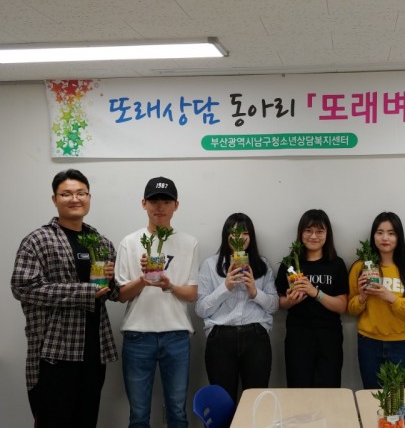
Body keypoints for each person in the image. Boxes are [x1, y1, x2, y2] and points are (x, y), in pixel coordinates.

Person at [11, 169, 118, 428]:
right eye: (66, 194)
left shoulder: (100, 242)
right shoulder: (38, 240)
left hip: (95, 350)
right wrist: (84, 292)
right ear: (54, 199)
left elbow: (112, 292)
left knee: (86, 420)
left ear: (89, 197)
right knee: (53, 421)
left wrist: (116, 279)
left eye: (81, 193)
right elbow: (23, 287)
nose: (75, 199)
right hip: (54, 351)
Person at [115, 176, 200, 428]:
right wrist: (143, 280)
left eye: (166, 201)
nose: (160, 207)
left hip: (176, 335)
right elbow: (121, 295)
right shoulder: (129, 242)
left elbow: (192, 294)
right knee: (139, 415)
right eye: (154, 201)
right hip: (137, 336)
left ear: (176, 205)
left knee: (177, 412)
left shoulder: (189, 243)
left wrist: (169, 286)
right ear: (144, 203)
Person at [196, 213, 278, 401]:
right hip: (220, 338)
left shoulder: (262, 265)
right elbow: (200, 309)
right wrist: (225, 287)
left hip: (256, 337)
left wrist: (254, 291)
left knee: (256, 401)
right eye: (234, 233)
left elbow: (274, 306)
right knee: (223, 402)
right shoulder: (210, 265)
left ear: (251, 237)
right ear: (226, 236)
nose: (239, 238)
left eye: (245, 233)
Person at [347, 211, 405, 389]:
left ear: (399, 237)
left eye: (391, 233)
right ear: (373, 236)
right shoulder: (360, 267)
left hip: (401, 344)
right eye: (380, 232)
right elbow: (351, 309)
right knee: (370, 397)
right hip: (368, 342)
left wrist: (390, 298)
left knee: (398, 399)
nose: (385, 238)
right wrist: (362, 297)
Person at [275, 209, 349, 387]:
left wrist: (315, 293)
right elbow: (278, 302)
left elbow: (342, 306)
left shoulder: (336, 264)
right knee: (298, 388)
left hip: (329, 335)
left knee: (329, 390)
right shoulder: (289, 263)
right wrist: (290, 301)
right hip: (298, 335)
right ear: (300, 233)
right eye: (308, 230)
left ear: (327, 234)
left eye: (320, 231)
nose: (314, 236)